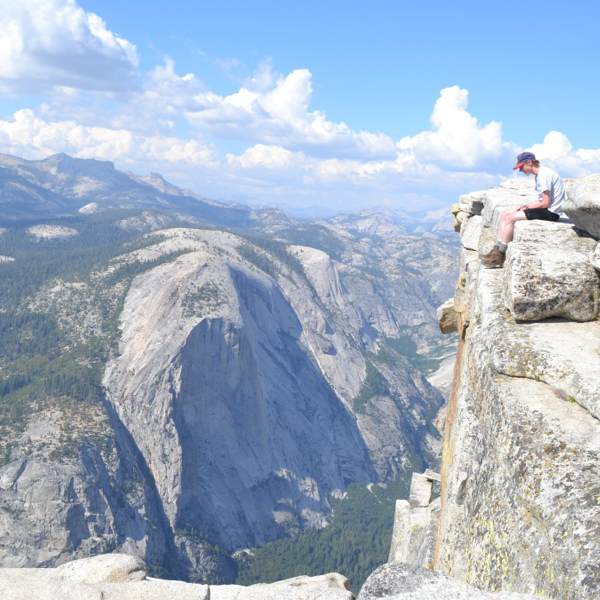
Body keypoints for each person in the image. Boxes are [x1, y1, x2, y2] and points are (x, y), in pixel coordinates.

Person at [481, 151, 565, 268]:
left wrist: (528, 208)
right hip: (546, 209)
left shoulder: (544, 175)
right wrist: (526, 206)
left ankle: (500, 254)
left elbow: (546, 202)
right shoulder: (541, 174)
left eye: (521, 167)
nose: (520, 170)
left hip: (551, 212)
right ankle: (496, 248)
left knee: (511, 218)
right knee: (506, 214)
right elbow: (541, 200)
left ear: (529, 163)